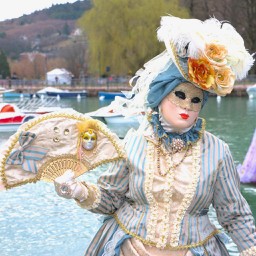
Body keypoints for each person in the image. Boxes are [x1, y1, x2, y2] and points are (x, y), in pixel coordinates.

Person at [54, 15, 256, 255]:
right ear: (162, 96)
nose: (187, 106)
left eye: (195, 100)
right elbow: (110, 199)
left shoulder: (218, 151)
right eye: (179, 95)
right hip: (129, 248)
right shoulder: (133, 142)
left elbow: (233, 214)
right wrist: (77, 190)